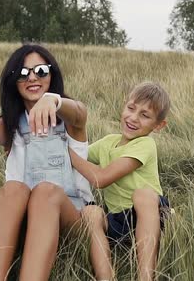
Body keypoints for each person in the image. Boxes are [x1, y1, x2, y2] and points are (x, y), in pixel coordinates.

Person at [0, 44, 94, 280]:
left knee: (45, 192)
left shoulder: (69, 121)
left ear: (52, 75)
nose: (32, 77)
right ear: (14, 81)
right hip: (25, 222)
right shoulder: (11, 125)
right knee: (12, 188)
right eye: (23, 73)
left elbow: (80, 112)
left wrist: (54, 101)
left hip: (70, 218)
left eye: (41, 70)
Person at [69, 81, 171, 281]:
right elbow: (81, 156)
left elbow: (101, 178)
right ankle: (106, 277)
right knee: (91, 212)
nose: (133, 118)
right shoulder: (108, 142)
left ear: (159, 125)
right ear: (124, 105)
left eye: (145, 115)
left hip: (151, 215)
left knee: (142, 195)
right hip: (118, 222)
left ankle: (146, 277)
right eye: (131, 108)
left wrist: (68, 154)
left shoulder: (146, 144)